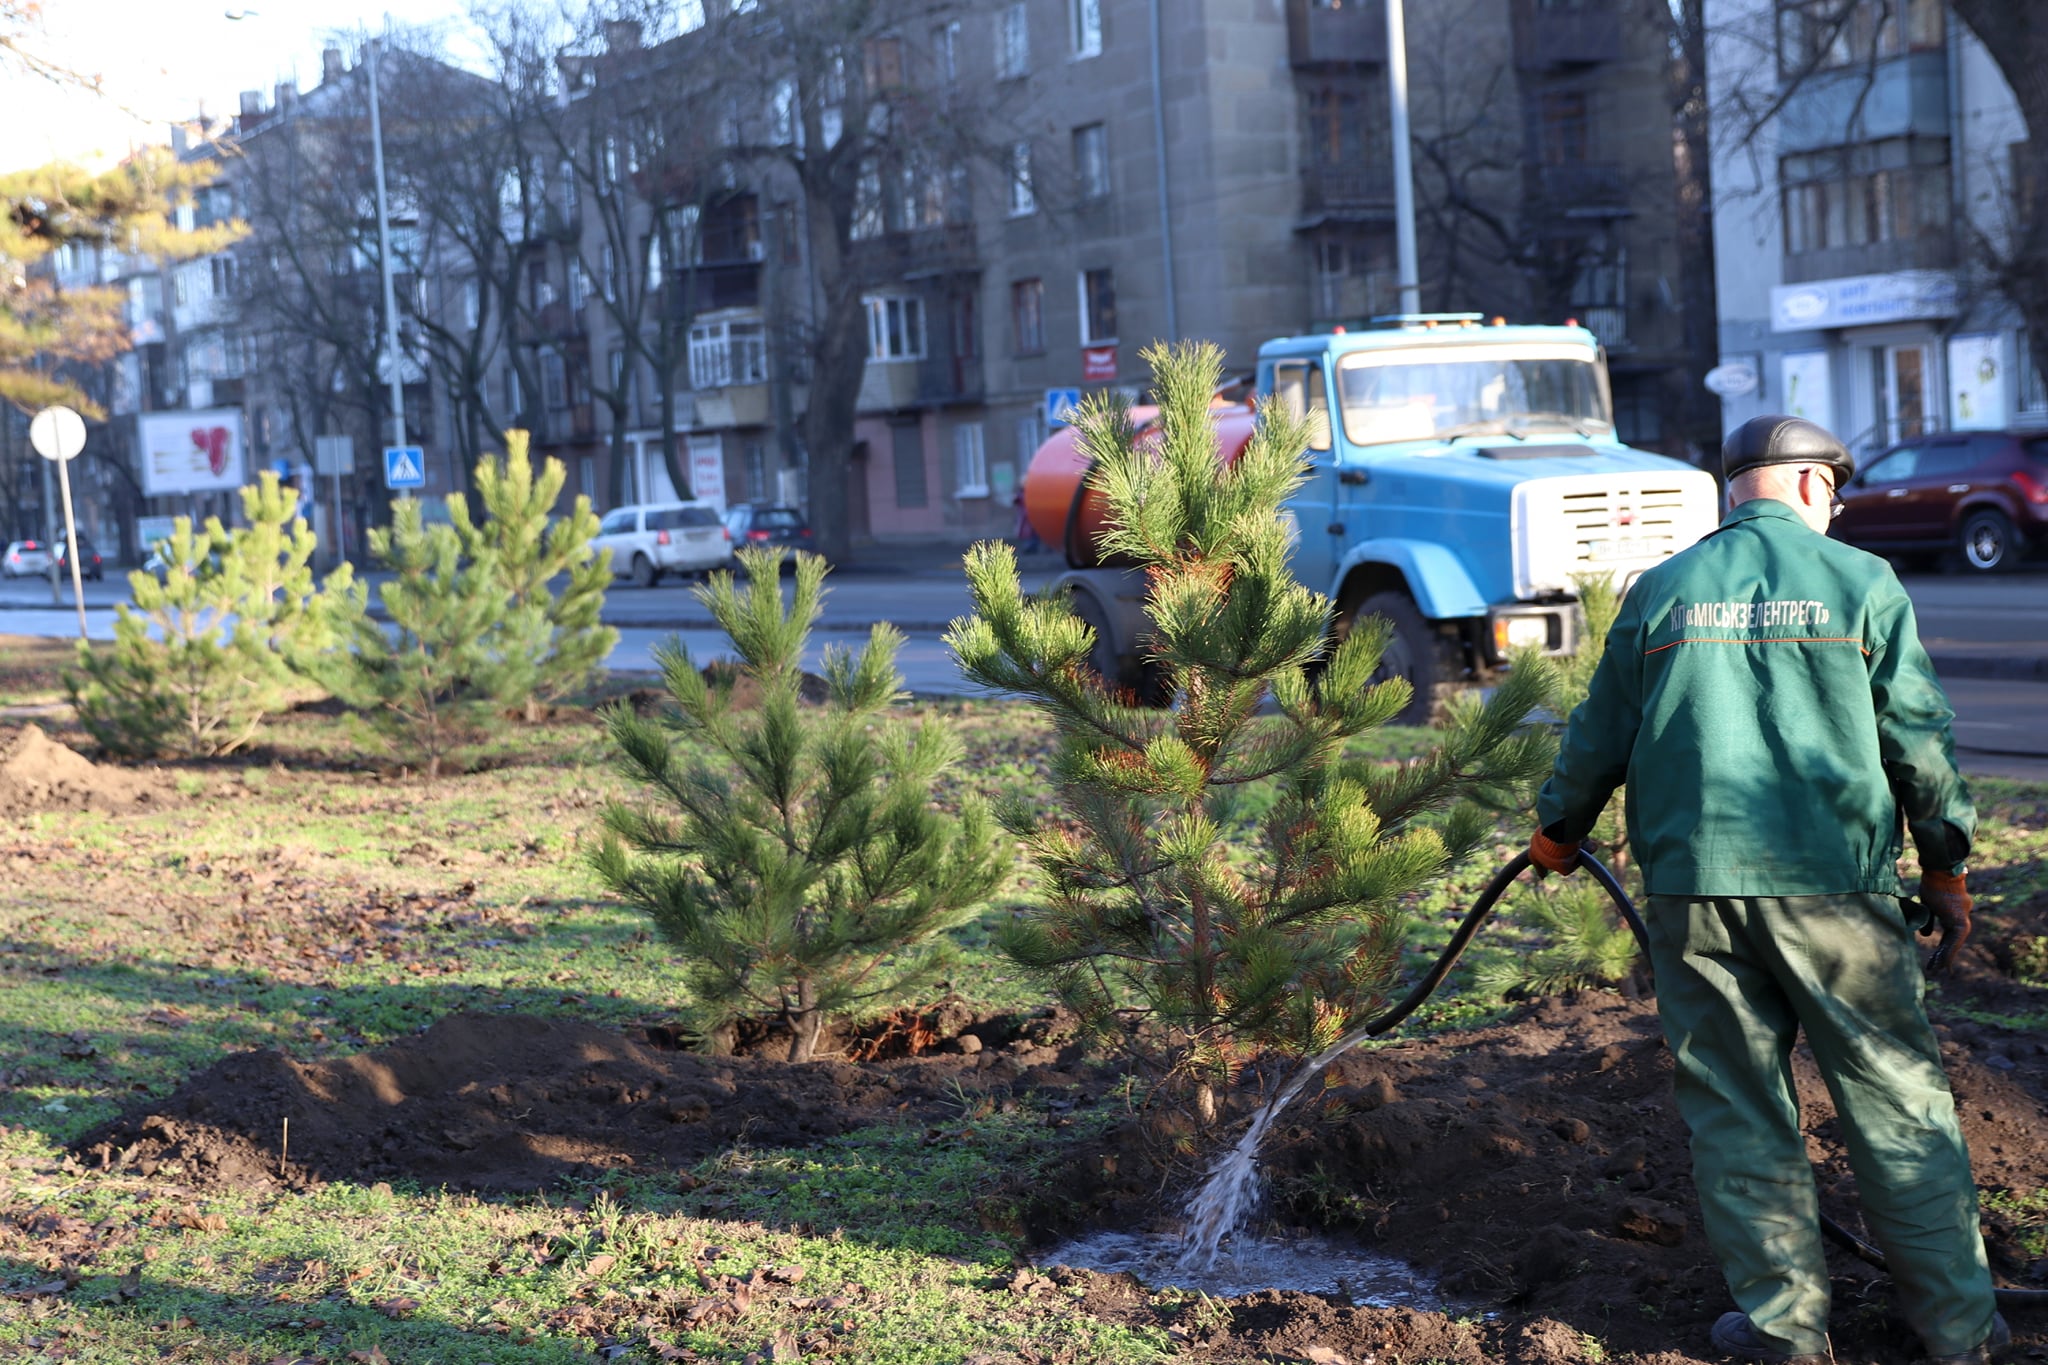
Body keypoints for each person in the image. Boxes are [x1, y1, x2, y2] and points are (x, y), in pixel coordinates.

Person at [1528, 414, 2005, 1365]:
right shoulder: (1863, 583)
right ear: (1815, 487)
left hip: (1696, 892)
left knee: (1739, 1106)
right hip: (1837, 894)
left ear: (1733, 488)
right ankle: (1956, 1327)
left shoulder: (1664, 589)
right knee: (1898, 1099)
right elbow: (1918, 737)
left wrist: (1557, 830)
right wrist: (1945, 865)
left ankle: (1787, 1329)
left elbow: (1597, 733)